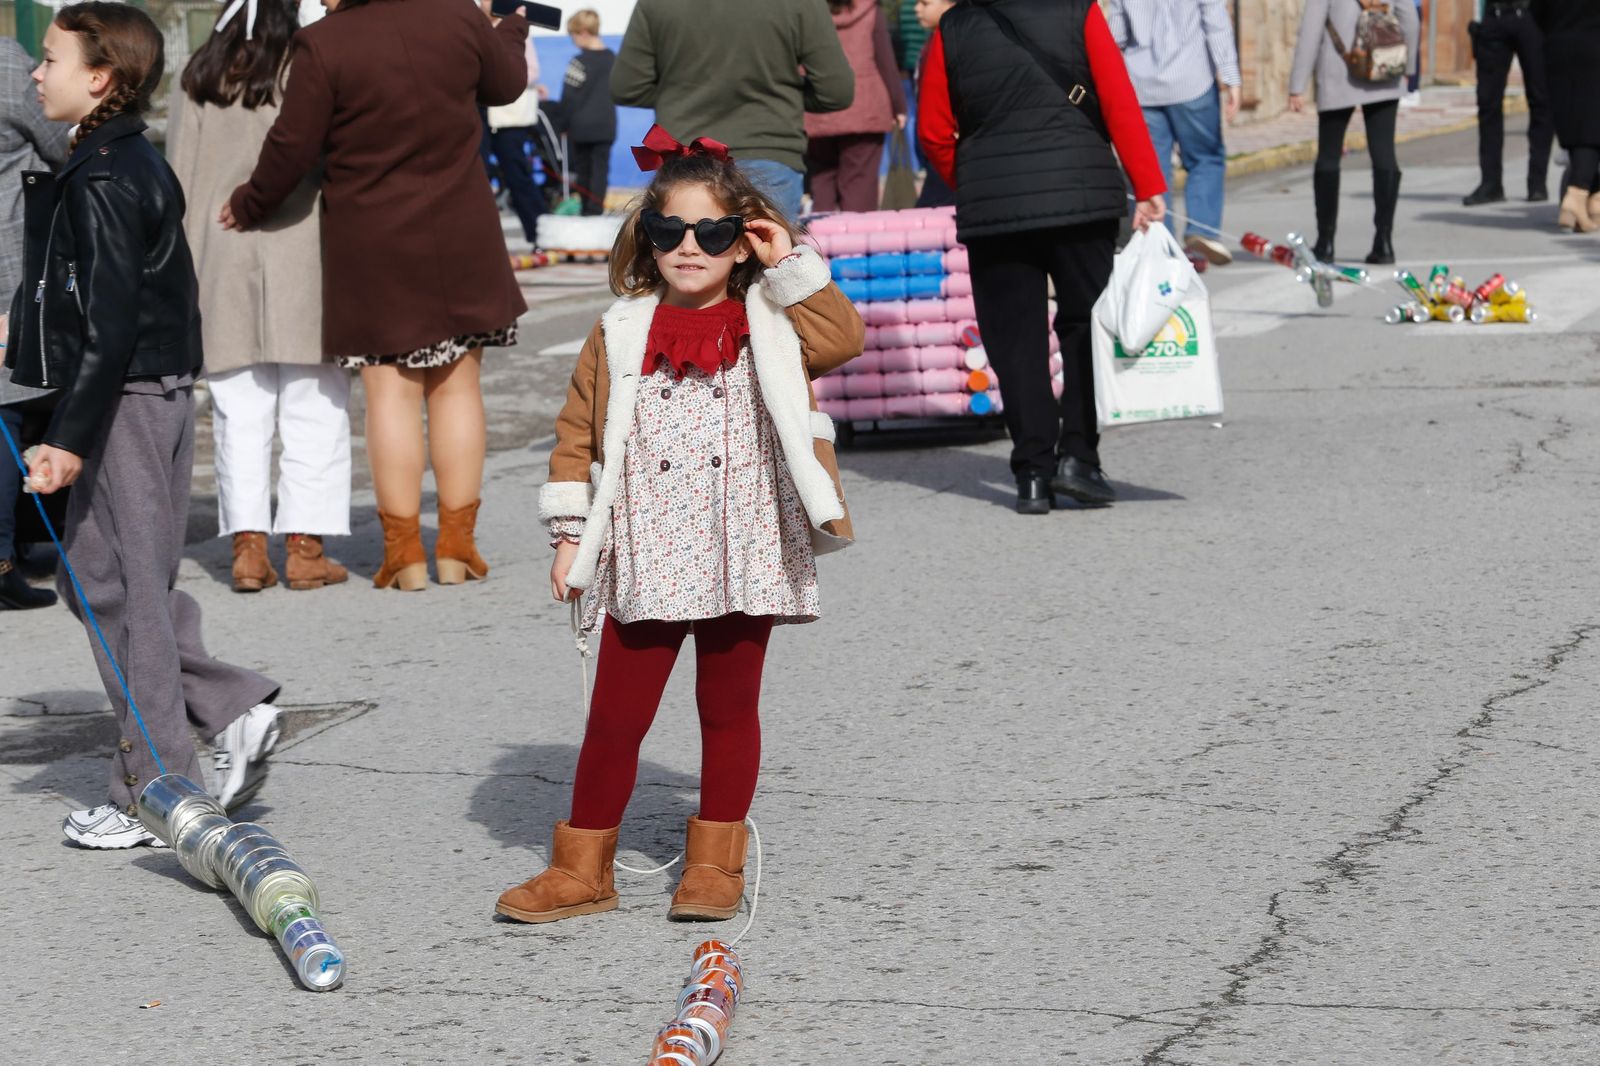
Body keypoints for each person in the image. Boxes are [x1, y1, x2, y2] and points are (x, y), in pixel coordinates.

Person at [495, 129, 862, 925]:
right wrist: (568, 536)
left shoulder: (770, 315)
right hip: (646, 547)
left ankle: (714, 865)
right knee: (615, 716)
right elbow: (577, 433)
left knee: (728, 709)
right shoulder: (620, 326)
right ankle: (583, 864)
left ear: (742, 242)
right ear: (647, 239)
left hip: (745, 541)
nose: (689, 247)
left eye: (714, 232)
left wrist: (787, 257)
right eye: (669, 232)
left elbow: (843, 339)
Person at [9, 3, 282, 846]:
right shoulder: (113, 162)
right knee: (106, 585)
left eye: (49, 58)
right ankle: (218, 714)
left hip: (124, 401)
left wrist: (66, 439)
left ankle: (161, 786)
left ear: (100, 77)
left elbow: (113, 324)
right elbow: (90, 300)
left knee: (124, 594)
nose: (34, 72)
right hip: (138, 393)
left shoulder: (104, 177)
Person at [224, 0, 532, 590]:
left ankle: (404, 554)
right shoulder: (458, 16)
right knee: (459, 388)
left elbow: (292, 146)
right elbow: (506, 83)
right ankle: (457, 548)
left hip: (373, 240)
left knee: (390, 395)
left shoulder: (325, 42)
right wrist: (512, 24)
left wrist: (249, 203)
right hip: (462, 228)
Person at [919, 0, 1167, 515]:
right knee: (1087, 327)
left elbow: (934, 133)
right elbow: (1119, 101)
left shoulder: (956, 26)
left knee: (1016, 340)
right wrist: (1147, 185)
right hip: (1082, 196)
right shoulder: (1079, 10)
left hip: (997, 208)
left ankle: (1033, 471)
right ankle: (1079, 457)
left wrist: (978, 182)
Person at [169, 0, 351, 595]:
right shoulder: (311, 62)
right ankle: (305, 546)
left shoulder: (200, 72)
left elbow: (180, 173)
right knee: (315, 402)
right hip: (306, 250)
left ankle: (248, 548)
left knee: (237, 408)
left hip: (219, 251)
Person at [611, 0, 856, 221]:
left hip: (686, 162)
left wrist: (680, 97)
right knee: (766, 264)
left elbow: (626, 87)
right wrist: (781, 96)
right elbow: (836, 91)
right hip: (769, 153)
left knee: (686, 263)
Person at [0, 35, 70, 611]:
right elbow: (60, 141)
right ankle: (2, 560)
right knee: (7, 407)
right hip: (9, 257)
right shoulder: (5, 60)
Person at [1107, 0, 1243, 267]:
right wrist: (1231, 77)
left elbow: (1116, 34)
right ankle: (1202, 229)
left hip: (1142, 85)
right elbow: (1215, 23)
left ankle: (1163, 248)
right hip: (1192, 80)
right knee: (1206, 158)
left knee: (1152, 173)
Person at [1289, 0, 1420, 265]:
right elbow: (1411, 20)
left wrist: (1297, 84)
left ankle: (1325, 243)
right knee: (1384, 155)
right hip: (1384, 65)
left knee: (1329, 155)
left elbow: (1311, 29)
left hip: (1339, 68)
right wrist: (1408, 67)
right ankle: (1383, 242)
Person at [804, 0, 907, 214]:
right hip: (865, 108)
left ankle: (820, 242)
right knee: (860, 185)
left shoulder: (807, 11)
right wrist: (899, 105)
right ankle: (857, 244)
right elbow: (885, 61)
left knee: (822, 181)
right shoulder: (870, 10)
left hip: (818, 107)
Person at [1463, 0, 1553, 205]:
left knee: (1541, 100)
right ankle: (1491, 183)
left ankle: (1537, 182)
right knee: (1488, 103)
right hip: (1494, 17)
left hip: (1532, 16)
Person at [1532, 0, 1600, 232]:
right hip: (1593, 46)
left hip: (1559, 49)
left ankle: (1593, 202)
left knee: (1575, 122)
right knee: (1591, 127)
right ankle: (1577, 194)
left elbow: (1537, 11)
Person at [545, 8, 617, 216]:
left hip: (581, 127)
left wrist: (561, 125)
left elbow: (569, 98)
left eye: (573, 36)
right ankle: (596, 209)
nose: (573, 41)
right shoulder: (612, 59)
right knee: (601, 171)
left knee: (583, 170)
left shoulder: (579, 62)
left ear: (583, 32)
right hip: (606, 125)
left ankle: (586, 210)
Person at [481, 34, 544, 242]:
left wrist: (498, 77)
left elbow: (532, 71)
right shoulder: (476, 24)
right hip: (481, 113)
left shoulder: (515, 29)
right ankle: (480, 239)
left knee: (517, 176)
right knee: (480, 175)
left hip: (510, 117)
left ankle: (539, 234)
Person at [910, 0, 956, 208]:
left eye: (925, 3)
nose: (916, 9)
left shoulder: (949, 42)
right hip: (938, 154)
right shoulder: (932, 42)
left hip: (948, 153)